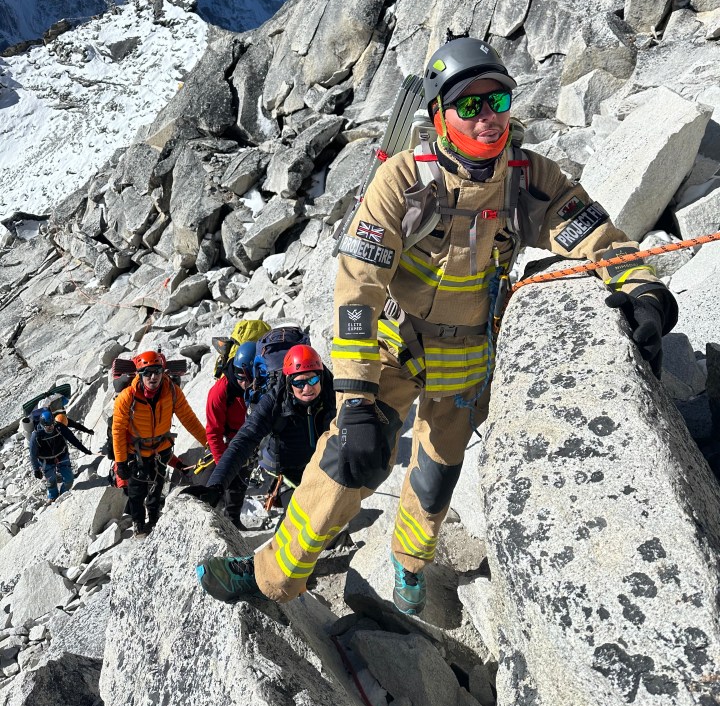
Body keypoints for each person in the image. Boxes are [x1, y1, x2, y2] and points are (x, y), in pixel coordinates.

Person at [193, 37, 678, 613]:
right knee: (346, 461)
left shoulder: (528, 177)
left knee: (435, 476)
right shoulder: (402, 181)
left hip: (469, 353)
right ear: (439, 117)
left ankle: (409, 565)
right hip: (396, 343)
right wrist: (353, 395)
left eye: (497, 99)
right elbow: (357, 289)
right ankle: (271, 575)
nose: (488, 117)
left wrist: (640, 286)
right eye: (469, 106)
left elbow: (594, 234)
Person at [190, 344, 335, 589]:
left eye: (312, 379)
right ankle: (277, 576)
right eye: (299, 383)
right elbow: (244, 440)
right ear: (288, 382)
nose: (307, 388)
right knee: (300, 524)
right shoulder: (274, 401)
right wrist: (216, 484)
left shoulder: (332, 392)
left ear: (321, 375)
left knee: (321, 520)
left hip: (324, 465)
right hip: (288, 470)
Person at [113, 350, 207, 538]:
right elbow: (118, 431)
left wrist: (208, 442)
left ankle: (154, 519)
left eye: (157, 371)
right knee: (136, 492)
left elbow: (188, 419)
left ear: (163, 371)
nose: (153, 377)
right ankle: (139, 524)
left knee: (157, 486)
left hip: (160, 450)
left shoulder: (172, 391)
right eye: (147, 373)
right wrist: (121, 462)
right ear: (139, 375)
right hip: (136, 453)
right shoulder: (127, 397)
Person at [203, 341, 257, 527]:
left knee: (241, 482)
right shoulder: (219, 392)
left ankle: (233, 520)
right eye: (242, 378)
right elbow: (213, 432)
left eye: (251, 378)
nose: (246, 383)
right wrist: (222, 464)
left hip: (249, 436)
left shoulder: (259, 382)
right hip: (229, 441)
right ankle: (226, 522)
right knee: (230, 483)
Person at [29, 409, 93, 501]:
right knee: (51, 481)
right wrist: (36, 469)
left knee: (69, 479)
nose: (50, 428)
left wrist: (85, 450)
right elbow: (33, 454)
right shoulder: (36, 435)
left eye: (52, 425)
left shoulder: (59, 427)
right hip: (46, 461)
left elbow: (72, 439)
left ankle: (63, 495)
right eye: (48, 427)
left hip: (62, 455)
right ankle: (53, 497)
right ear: (42, 425)